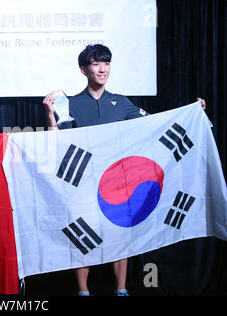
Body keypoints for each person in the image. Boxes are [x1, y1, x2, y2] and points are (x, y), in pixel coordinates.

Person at [43, 44, 206, 296]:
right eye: (96, 64)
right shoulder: (70, 104)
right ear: (84, 69)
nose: (102, 69)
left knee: (120, 232)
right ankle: (83, 291)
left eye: (106, 63)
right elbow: (55, 143)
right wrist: (51, 116)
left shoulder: (122, 103)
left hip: (117, 179)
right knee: (82, 233)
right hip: (83, 179)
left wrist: (192, 111)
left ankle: (121, 289)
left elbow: (156, 123)